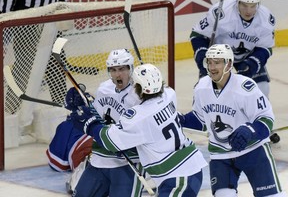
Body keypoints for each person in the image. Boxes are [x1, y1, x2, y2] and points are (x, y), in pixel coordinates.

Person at [71, 63, 208, 197]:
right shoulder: (169, 95)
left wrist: (89, 123)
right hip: (185, 169)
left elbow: (109, 140)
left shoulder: (139, 117)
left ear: (138, 88)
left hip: (178, 176)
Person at [180, 44, 286, 197]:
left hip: (253, 151)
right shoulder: (201, 88)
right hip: (221, 156)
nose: (212, 67)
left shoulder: (245, 88)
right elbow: (200, 119)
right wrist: (180, 120)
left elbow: (266, 118)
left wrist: (249, 131)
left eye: (217, 62)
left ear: (228, 64)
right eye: (209, 62)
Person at [68, 49, 144, 197]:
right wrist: (79, 106)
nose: (117, 74)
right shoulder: (104, 88)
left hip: (128, 162)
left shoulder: (139, 95)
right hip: (99, 159)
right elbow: (94, 116)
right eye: (113, 70)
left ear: (131, 69)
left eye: (122, 69)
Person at [190, 0, 275, 98]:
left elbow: (265, 47)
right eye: (244, 5)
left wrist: (253, 63)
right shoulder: (220, 12)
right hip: (219, 56)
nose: (248, 11)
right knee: (207, 94)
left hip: (247, 56)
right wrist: (203, 58)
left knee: (262, 90)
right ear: (237, 2)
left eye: (253, 5)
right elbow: (198, 34)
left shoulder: (265, 19)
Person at [1, 0, 69, 113]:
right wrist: (3, 18)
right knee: (24, 66)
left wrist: (64, 14)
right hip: (27, 22)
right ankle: (10, 109)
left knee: (57, 64)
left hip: (52, 23)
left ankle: (62, 107)